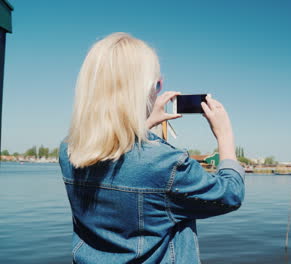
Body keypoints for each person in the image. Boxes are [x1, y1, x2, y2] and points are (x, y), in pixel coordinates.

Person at [59, 32, 245, 264]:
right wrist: (225, 135)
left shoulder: (68, 150)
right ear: (146, 90)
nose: (159, 89)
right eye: (157, 84)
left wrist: (143, 124)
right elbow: (229, 194)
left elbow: (119, 155)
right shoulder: (164, 163)